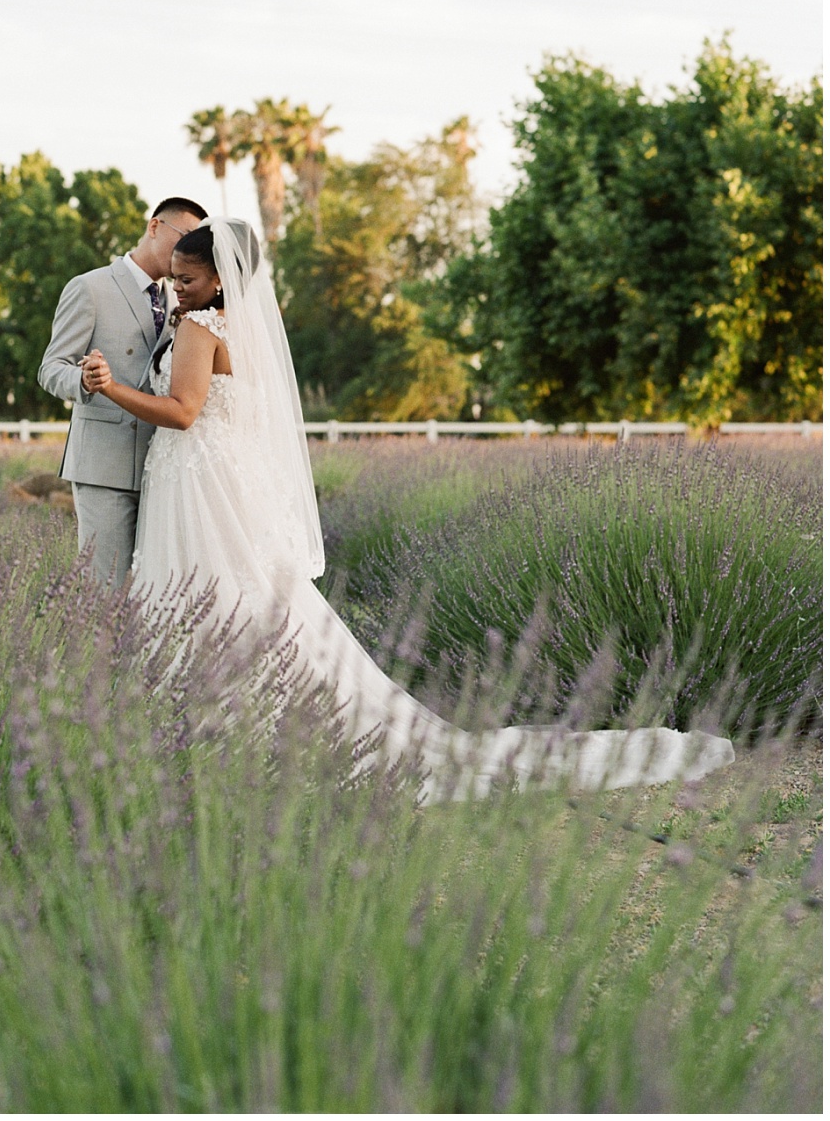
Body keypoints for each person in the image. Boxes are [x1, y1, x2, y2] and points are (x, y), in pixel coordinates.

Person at [80, 217, 736, 803]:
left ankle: (213, 727)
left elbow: (185, 412)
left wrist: (112, 389)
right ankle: (226, 720)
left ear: (222, 278)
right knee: (241, 599)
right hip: (221, 485)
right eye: (174, 277)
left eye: (188, 278)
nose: (177, 289)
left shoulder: (200, 327)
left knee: (207, 595)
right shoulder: (244, 333)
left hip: (197, 484)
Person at [37, 196, 207, 586]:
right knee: (106, 592)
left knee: (155, 591)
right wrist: (83, 381)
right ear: (154, 227)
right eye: (183, 237)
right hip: (104, 466)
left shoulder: (182, 299)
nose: (187, 252)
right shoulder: (90, 287)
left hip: (162, 468)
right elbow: (50, 368)